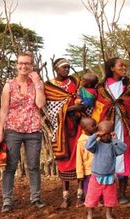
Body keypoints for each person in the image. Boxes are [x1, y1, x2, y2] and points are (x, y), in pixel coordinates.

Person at [0, 53, 46, 212]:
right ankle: (7, 200)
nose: (24, 66)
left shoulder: (37, 83)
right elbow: (3, 110)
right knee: (10, 166)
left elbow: (40, 104)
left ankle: (35, 197)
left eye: (27, 64)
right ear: (16, 65)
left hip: (33, 129)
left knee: (33, 166)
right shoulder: (9, 85)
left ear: (32, 66)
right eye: (21, 63)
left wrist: (37, 83)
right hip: (13, 130)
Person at [92, 57, 130, 204]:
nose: (124, 67)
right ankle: (104, 193)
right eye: (120, 65)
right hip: (108, 126)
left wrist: (122, 105)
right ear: (112, 68)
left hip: (124, 125)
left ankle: (122, 193)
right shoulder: (101, 88)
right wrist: (111, 107)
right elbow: (99, 106)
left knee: (124, 155)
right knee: (105, 158)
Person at [44, 58, 85, 208]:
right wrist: (71, 108)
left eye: (68, 67)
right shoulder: (49, 87)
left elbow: (82, 100)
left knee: (80, 157)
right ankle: (65, 197)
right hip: (60, 129)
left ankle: (80, 195)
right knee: (63, 160)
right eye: (64, 67)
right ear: (56, 69)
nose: (67, 70)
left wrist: (76, 108)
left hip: (77, 126)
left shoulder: (75, 82)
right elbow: (51, 109)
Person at [84, 120, 127, 219]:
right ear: (100, 133)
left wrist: (115, 139)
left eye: (108, 134)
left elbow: (123, 149)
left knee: (110, 196)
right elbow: (88, 146)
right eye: (104, 134)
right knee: (92, 196)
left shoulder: (113, 146)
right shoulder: (97, 145)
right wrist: (95, 135)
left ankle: (108, 213)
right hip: (96, 176)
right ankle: (90, 215)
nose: (106, 137)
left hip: (109, 176)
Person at [75, 117, 97, 207]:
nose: (95, 127)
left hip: (97, 170)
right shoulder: (81, 142)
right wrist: (80, 174)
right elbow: (79, 159)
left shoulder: (97, 139)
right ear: (85, 128)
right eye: (93, 126)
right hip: (88, 171)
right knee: (89, 189)